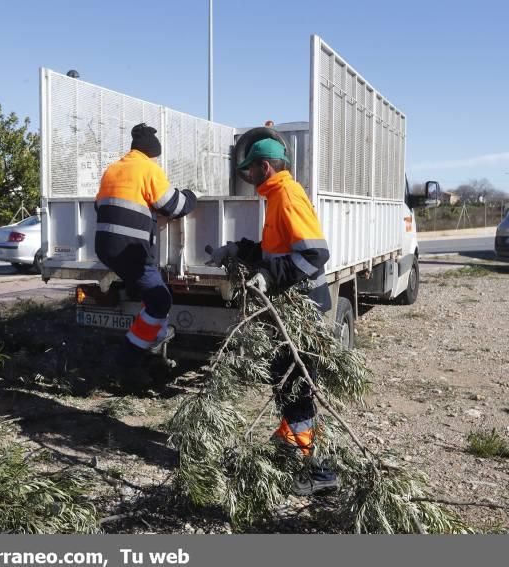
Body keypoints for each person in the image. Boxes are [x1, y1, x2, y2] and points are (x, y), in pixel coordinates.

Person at [207, 137, 338, 495]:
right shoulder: (276, 195)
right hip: (291, 307)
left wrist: (268, 277)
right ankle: (290, 441)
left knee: (296, 386)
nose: (246, 175)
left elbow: (314, 254)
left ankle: (322, 469)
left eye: (248, 168)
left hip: (303, 307)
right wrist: (236, 250)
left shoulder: (288, 195)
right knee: (286, 381)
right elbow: (274, 252)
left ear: (265, 167)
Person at [95, 123, 197, 381]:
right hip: (130, 249)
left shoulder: (113, 169)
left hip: (105, 247)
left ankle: (152, 335)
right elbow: (173, 205)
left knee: (149, 293)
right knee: (160, 299)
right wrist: (191, 195)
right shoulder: (149, 168)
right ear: (152, 152)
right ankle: (128, 360)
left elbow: (102, 205)